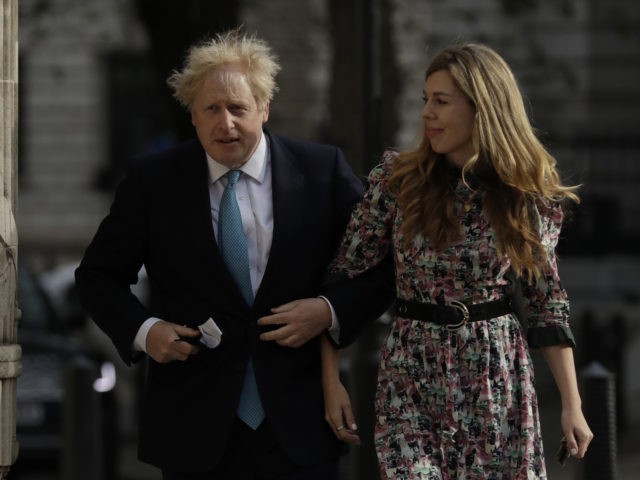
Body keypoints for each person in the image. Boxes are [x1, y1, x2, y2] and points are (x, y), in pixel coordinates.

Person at [264, 42, 594, 479]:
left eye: (441, 101)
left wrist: (572, 405)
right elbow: (343, 276)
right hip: (411, 374)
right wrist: (331, 381)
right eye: (425, 100)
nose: (427, 114)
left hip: (495, 377)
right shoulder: (397, 180)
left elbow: (546, 303)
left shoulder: (524, 195)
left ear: (483, 109)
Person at [74, 29, 391, 480]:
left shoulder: (321, 172)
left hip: (300, 423)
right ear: (193, 116)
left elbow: (380, 267)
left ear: (264, 108)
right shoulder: (154, 181)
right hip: (193, 427)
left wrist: (327, 311)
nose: (226, 124)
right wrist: (146, 331)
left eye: (239, 108)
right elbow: (97, 276)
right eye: (212, 110)